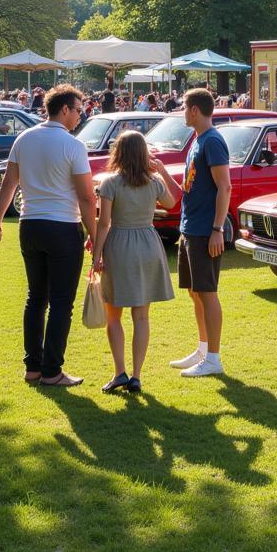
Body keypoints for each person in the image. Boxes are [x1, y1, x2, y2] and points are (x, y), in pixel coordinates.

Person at [0, 85, 96, 387]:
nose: (80, 115)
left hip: (30, 226)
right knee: (61, 302)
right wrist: (94, 234)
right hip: (63, 227)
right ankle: (52, 370)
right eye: (78, 109)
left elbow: (9, 183)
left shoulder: (24, 138)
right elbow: (87, 197)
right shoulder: (72, 145)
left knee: (36, 298)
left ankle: (33, 367)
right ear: (64, 109)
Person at [93, 131, 182, 393]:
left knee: (114, 316)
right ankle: (136, 376)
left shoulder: (110, 183)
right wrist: (163, 171)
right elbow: (173, 201)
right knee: (141, 317)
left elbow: (105, 223)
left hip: (119, 245)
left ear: (118, 153)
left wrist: (97, 256)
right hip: (147, 244)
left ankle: (119, 372)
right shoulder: (153, 181)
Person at [171, 88, 231, 377]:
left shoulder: (213, 141)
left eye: (184, 107)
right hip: (190, 229)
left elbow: (225, 186)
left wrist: (217, 229)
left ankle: (214, 358)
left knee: (207, 292)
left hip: (206, 231)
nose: (182, 111)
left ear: (194, 110)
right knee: (195, 292)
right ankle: (203, 348)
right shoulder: (198, 140)